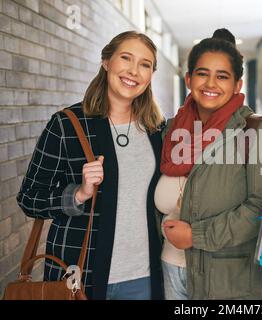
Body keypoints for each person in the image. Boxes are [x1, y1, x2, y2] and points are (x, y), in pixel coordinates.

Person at [17, 31, 165, 300]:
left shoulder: (157, 130)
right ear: (106, 61)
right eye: (126, 58)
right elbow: (29, 199)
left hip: (142, 278)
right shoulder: (66, 125)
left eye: (145, 64)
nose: (134, 71)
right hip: (79, 278)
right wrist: (78, 194)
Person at [154, 28, 262, 299]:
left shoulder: (258, 132)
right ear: (188, 79)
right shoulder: (172, 129)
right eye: (202, 73)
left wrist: (196, 236)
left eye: (222, 76)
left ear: (237, 85)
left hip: (229, 281)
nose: (211, 84)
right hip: (171, 266)